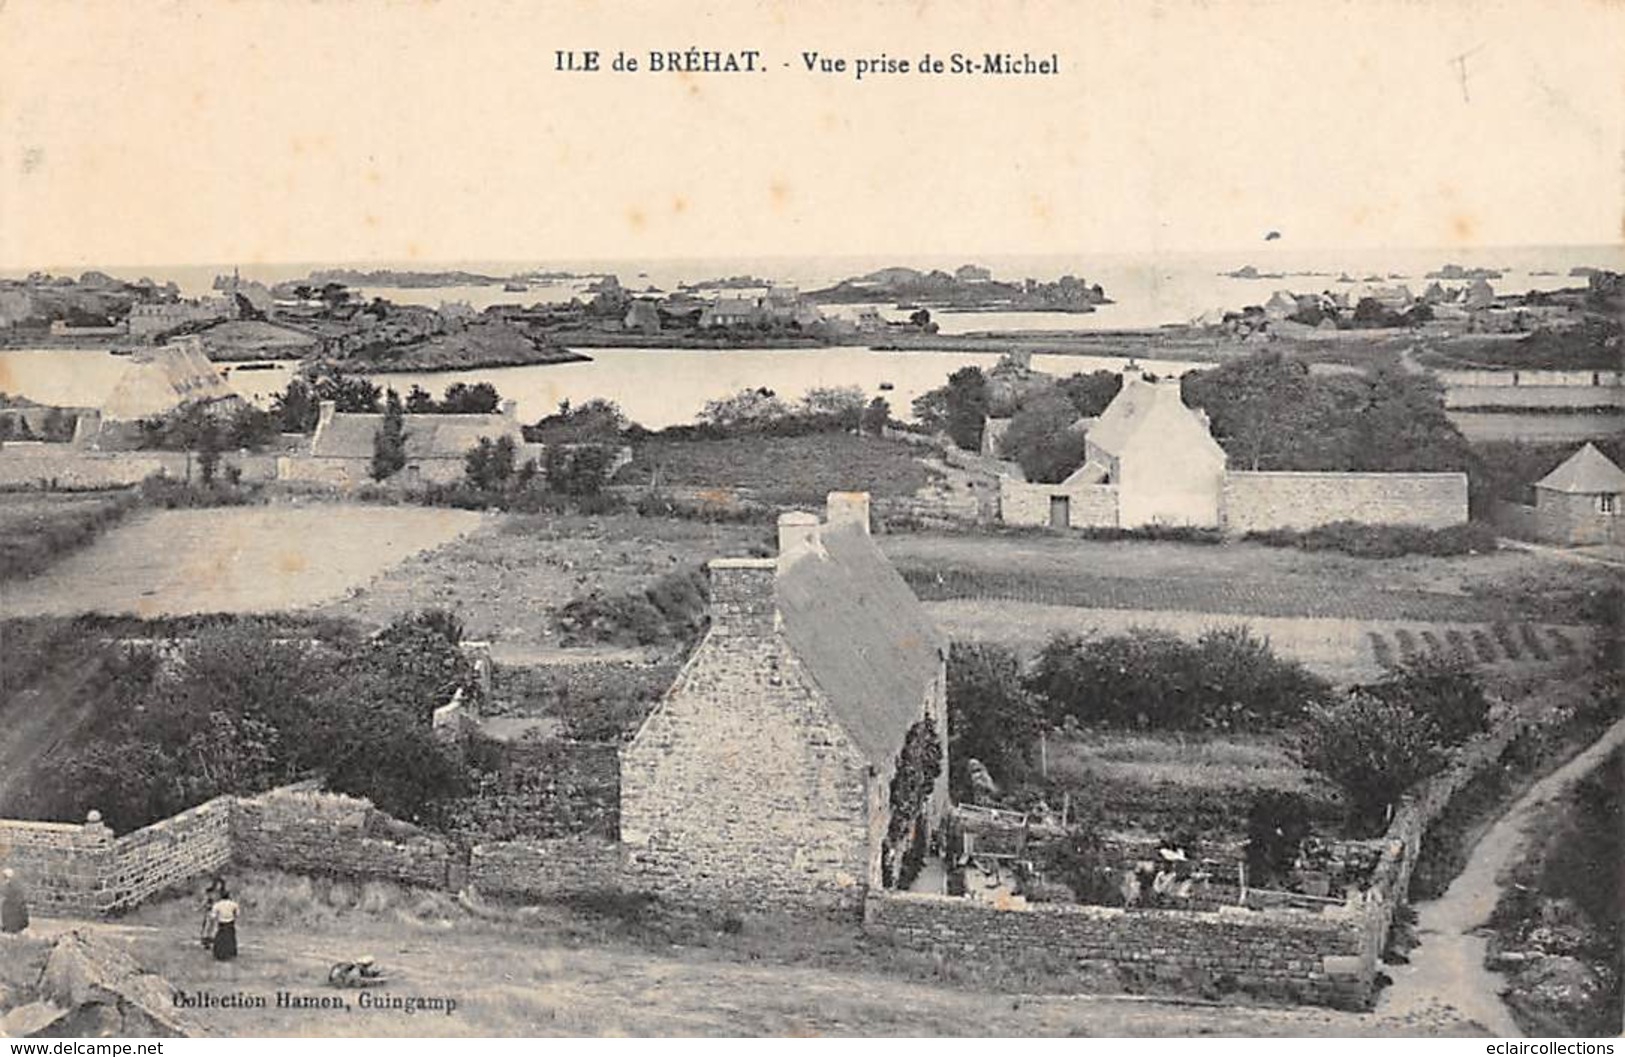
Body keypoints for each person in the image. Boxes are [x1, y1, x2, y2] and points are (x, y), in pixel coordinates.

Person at [204, 885, 239, 961]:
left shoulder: (217, 905)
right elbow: (237, 914)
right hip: (230, 923)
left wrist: (210, 915)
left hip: (222, 923)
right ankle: (230, 953)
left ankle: (220, 954)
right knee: (230, 938)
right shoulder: (234, 904)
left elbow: (213, 916)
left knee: (221, 939)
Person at [1, 868, 29, 934]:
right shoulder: (11, 884)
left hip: (12, 905)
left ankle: (11, 928)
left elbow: (6, 893)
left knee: (12, 917)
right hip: (11, 905)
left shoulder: (10, 884)